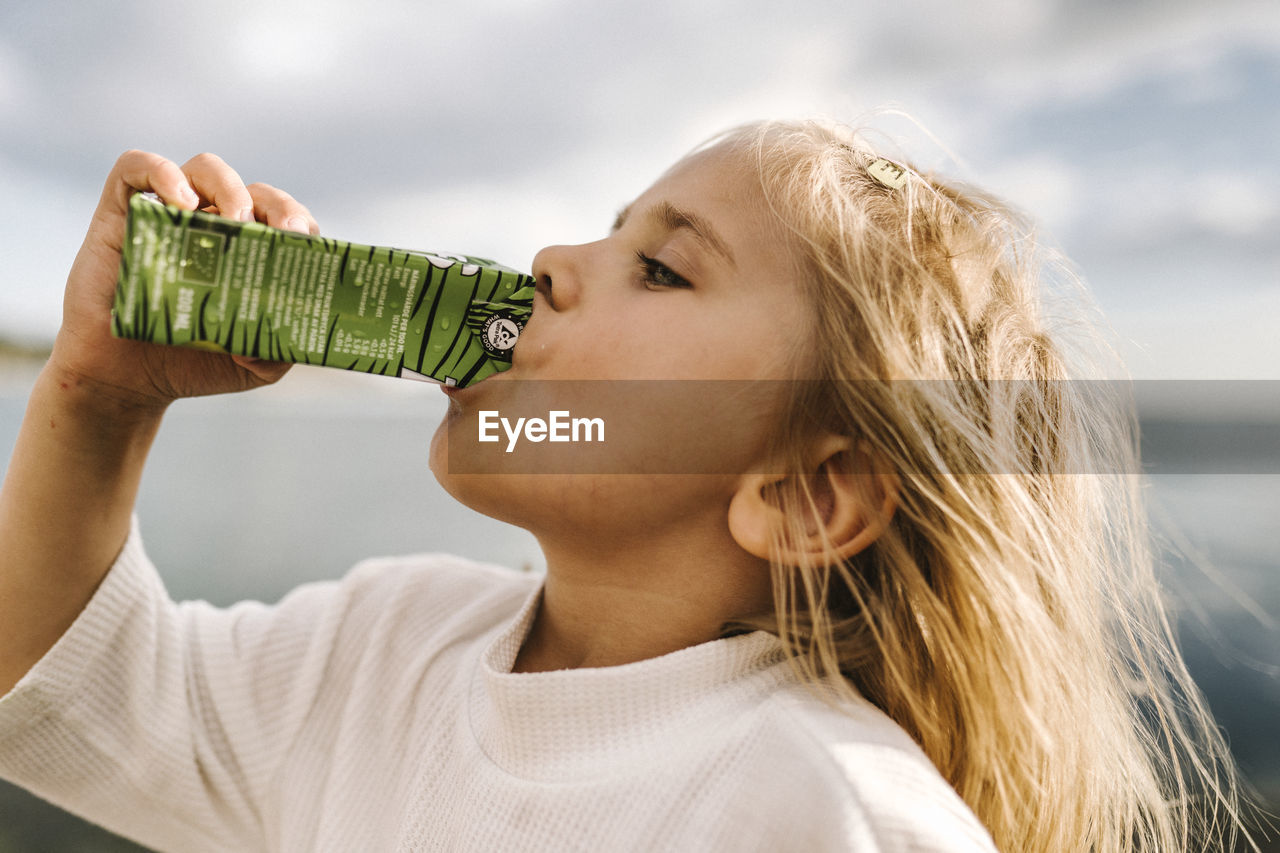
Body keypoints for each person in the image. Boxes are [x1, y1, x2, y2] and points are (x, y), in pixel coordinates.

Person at [0, 120, 1249, 851]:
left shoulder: (823, 809)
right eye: (607, 228)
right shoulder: (386, 641)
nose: (548, 260)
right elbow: (65, 691)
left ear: (807, 496)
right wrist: (97, 403)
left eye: (660, 270)